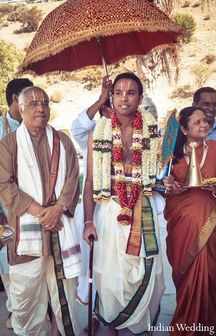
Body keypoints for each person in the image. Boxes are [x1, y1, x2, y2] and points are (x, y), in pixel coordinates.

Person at [83, 72, 165, 336]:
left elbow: (161, 175)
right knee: (108, 280)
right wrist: (87, 221)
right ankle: (112, 330)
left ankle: (143, 329)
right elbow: (90, 181)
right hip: (110, 210)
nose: (123, 97)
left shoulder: (153, 131)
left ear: (139, 98)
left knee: (146, 275)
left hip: (145, 208)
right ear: (111, 96)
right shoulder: (99, 133)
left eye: (130, 92)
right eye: (118, 92)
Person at [0, 86, 81, 336]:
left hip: (59, 229)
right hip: (25, 235)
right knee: (26, 294)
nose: (40, 108)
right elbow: (4, 183)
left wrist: (57, 209)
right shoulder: (9, 143)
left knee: (64, 291)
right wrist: (41, 212)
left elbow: (72, 179)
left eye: (45, 103)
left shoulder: (63, 140)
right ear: (20, 108)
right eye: (33, 103)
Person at [163, 106, 216, 335]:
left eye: (205, 121)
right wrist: (168, 187)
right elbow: (161, 185)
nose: (204, 125)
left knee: (213, 274)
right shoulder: (172, 156)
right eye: (197, 122)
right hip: (182, 223)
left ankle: (211, 327)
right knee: (186, 275)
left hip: (215, 221)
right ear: (184, 129)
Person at [71, 76, 113, 334]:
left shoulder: (134, 129)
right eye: (107, 105)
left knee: (112, 268)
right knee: (93, 264)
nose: (112, 108)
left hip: (118, 208)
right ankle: (95, 315)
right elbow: (76, 126)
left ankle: (114, 318)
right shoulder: (91, 133)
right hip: (90, 209)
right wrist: (100, 98)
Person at [0, 78, 33, 330]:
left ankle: (32, 309)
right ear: (15, 100)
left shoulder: (36, 126)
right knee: (6, 259)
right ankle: (15, 310)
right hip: (3, 210)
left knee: (30, 257)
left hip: (31, 206)